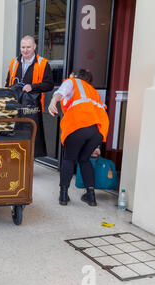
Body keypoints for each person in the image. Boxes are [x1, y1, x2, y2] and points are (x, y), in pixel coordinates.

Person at [48, 69, 109, 207]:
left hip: (79, 125)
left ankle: (63, 195)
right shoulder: (93, 91)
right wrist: (97, 146)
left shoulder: (72, 82)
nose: (69, 76)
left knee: (69, 159)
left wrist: (53, 102)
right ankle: (91, 196)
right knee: (84, 159)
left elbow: (60, 92)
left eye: (71, 74)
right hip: (97, 131)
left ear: (76, 76)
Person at [5, 35, 54, 157]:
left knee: (30, 137)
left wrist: (33, 87)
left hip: (31, 108)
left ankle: (28, 166)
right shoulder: (14, 62)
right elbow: (7, 84)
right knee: (14, 135)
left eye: (28, 47)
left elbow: (49, 85)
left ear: (34, 47)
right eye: (23, 47)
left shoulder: (43, 63)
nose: (25, 50)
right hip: (14, 107)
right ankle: (15, 163)